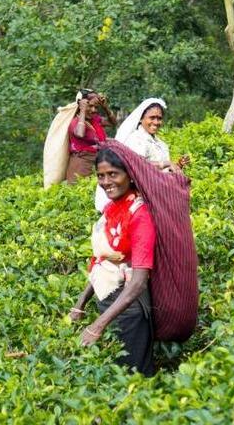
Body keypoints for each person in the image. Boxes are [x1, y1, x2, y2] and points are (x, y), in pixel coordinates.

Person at [69, 148, 156, 376]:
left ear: (130, 175)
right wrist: (80, 303)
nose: (106, 182)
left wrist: (98, 325)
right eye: (101, 175)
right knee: (114, 378)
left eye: (113, 174)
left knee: (135, 377)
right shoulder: (112, 208)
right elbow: (103, 262)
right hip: (108, 306)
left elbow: (138, 282)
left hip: (129, 313)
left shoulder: (140, 214)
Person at [95, 98, 189, 212]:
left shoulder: (161, 144)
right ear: (141, 119)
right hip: (140, 197)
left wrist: (177, 166)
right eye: (152, 118)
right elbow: (135, 165)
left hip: (159, 195)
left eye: (159, 118)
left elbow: (161, 172)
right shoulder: (135, 139)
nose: (156, 122)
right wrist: (165, 163)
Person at [66, 89, 117, 184]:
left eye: (96, 107)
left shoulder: (94, 120)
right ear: (81, 106)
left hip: (96, 164)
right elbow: (80, 133)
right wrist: (82, 110)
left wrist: (105, 107)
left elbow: (113, 123)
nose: (94, 110)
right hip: (81, 168)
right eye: (90, 106)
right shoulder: (75, 122)